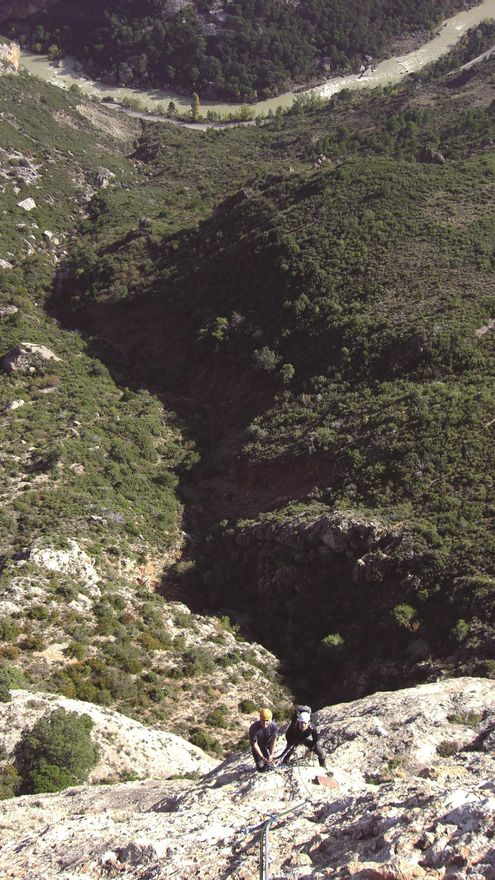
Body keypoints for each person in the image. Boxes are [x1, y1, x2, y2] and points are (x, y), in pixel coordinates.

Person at [249, 707, 278, 771]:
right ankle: (259, 765)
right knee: (261, 768)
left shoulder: (274, 727)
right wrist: (262, 757)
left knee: (269, 763)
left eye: (267, 721)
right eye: (263, 720)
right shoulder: (253, 728)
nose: (265, 723)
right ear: (260, 719)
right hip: (258, 746)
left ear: (270, 720)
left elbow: (274, 741)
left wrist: (271, 755)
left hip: (268, 744)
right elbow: (254, 744)